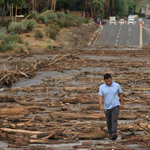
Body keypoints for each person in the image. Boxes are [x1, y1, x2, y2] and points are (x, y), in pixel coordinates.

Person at [99, 73, 124, 140]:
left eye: (109, 81)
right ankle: (110, 133)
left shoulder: (116, 85)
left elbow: (120, 94)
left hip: (115, 105)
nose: (108, 82)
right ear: (104, 80)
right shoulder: (101, 87)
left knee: (114, 119)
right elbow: (100, 96)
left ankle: (114, 133)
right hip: (107, 107)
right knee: (109, 120)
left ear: (111, 79)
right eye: (107, 81)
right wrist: (100, 105)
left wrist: (122, 103)